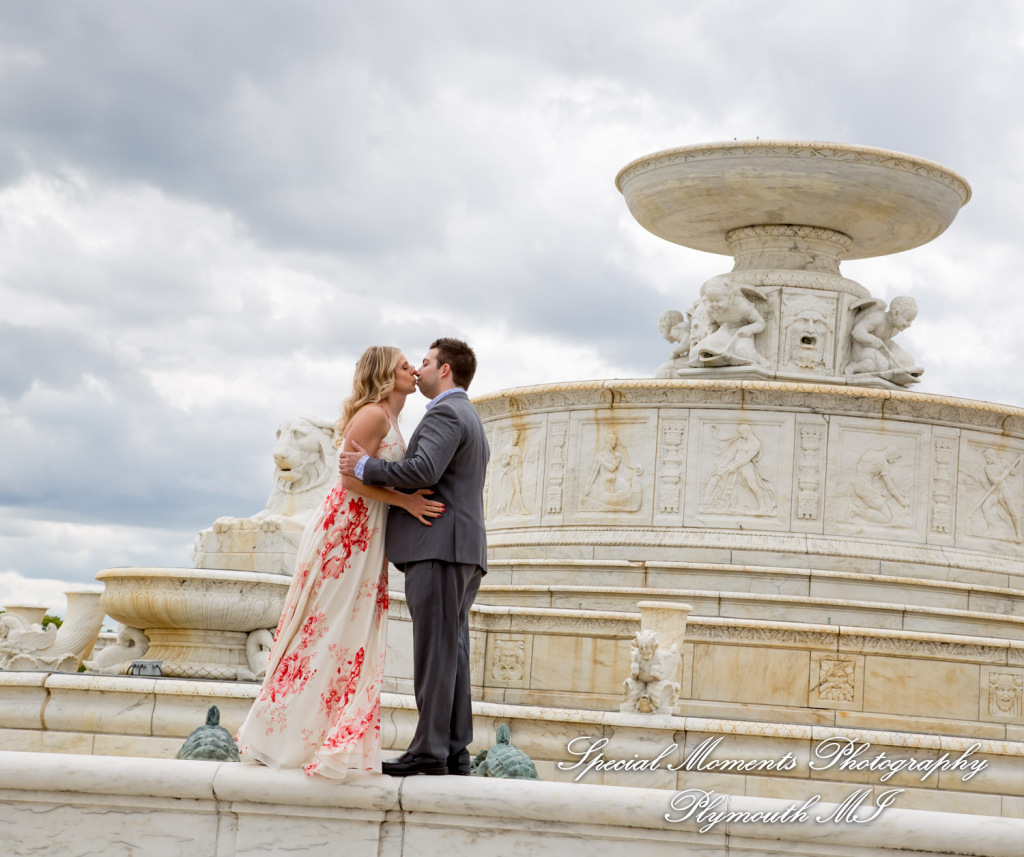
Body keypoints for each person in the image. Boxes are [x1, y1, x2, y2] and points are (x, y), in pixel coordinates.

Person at [236, 346, 443, 778]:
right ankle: (278, 734)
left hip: (365, 535)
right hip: (344, 533)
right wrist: (406, 502)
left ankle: (317, 734)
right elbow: (349, 479)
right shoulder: (373, 415)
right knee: (324, 632)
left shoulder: (390, 418)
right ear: (387, 375)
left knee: (344, 635)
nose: (413, 371)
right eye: (405, 366)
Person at [339, 337, 489, 777]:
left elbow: (423, 471)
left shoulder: (445, 411)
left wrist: (363, 467)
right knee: (452, 652)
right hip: (461, 548)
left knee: (435, 652)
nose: (418, 369)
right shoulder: (469, 415)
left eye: (425, 362)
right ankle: (454, 750)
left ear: (445, 371)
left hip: (439, 546)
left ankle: (428, 752)